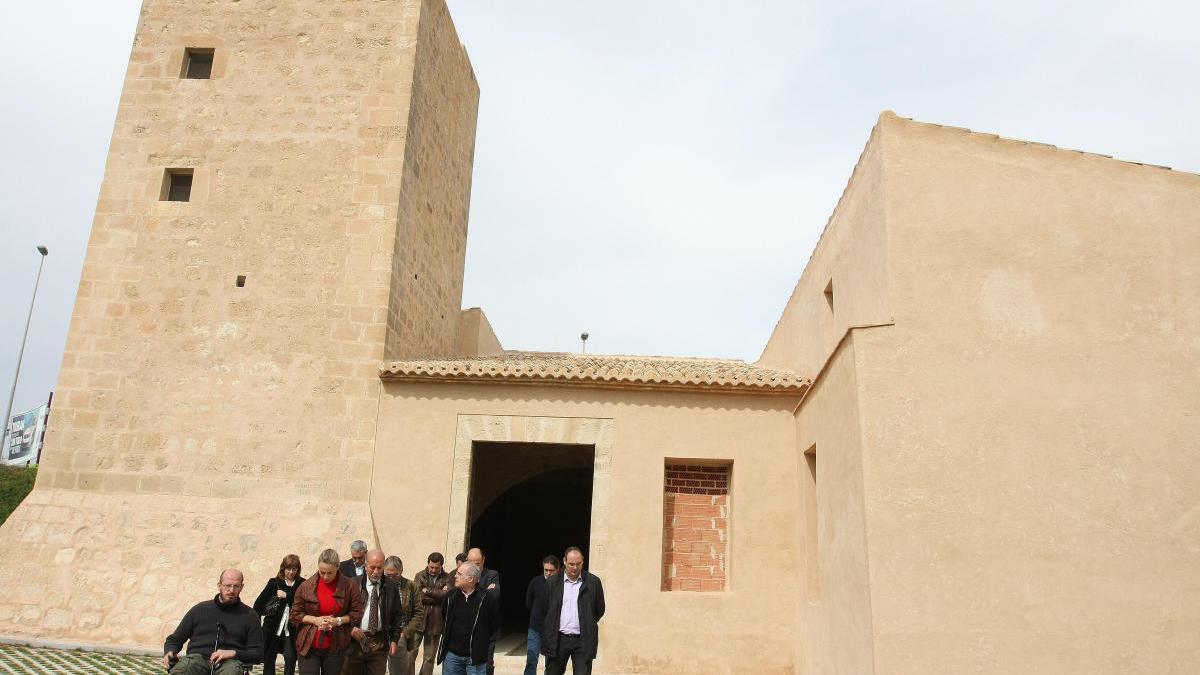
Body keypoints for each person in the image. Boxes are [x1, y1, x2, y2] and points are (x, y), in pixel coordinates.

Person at [163, 569, 264, 674]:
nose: (231, 590)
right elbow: (175, 639)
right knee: (183, 669)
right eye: (227, 585)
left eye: (236, 586)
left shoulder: (250, 616)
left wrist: (232, 653)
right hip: (197, 660)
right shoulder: (199, 610)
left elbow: (258, 654)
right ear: (219, 586)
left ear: (242, 587)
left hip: (230, 663)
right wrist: (170, 651)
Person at [291, 548, 365, 674]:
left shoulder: (350, 586)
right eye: (322, 572)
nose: (325, 576)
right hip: (309, 646)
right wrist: (315, 620)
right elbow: (294, 615)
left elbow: (357, 613)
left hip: (336, 647)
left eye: (329, 573)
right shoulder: (306, 586)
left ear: (337, 568)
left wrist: (338, 621)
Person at [541, 548, 605, 675]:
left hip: (583, 641)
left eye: (578, 564)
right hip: (558, 640)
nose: (575, 568)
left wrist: (587, 621)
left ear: (583, 562)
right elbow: (545, 609)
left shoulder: (593, 582)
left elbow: (599, 610)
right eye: (571, 564)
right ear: (564, 561)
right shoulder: (552, 582)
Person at [343, 550, 404, 675]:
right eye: (372, 567)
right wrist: (350, 628)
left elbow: (397, 615)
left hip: (379, 643)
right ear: (365, 566)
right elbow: (340, 610)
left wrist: (394, 639)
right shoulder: (352, 584)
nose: (376, 572)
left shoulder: (391, 586)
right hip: (354, 643)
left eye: (380, 568)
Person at [437, 563, 501, 675]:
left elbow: (494, 627)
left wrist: (485, 651)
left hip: (475, 658)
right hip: (452, 656)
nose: (455, 576)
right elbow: (444, 619)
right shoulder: (450, 597)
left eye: (459, 574)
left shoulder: (487, 599)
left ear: (470, 578)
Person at [254, 554, 305, 675]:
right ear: (283, 568)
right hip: (272, 627)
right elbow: (258, 605)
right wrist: (257, 628)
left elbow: (304, 604)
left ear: (298, 569)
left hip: (292, 629)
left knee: (291, 657)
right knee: (269, 658)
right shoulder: (274, 583)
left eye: (294, 569)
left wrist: (287, 596)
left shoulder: (303, 584)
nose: (291, 572)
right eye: (288, 569)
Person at [383, 555, 425, 675]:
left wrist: (405, 632)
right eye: (388, 575)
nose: (391, 578)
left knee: (398, 670)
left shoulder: (411, 586)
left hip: (399, 634)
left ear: (401, 571)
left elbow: (419, 612)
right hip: (381, 633)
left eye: (394, 575)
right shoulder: (380, 585)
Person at [413, 552, 451, 675]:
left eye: (436, 568)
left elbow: (447, 596)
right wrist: (438, 594)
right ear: (428, 564)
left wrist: (427, 590)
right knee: (410, 654)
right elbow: (418, 597)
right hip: (419, 620)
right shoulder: (419, 576)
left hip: (436, 622)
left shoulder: (448, 578)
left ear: (442, 566)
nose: (433, 570)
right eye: (431, 567)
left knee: (429, 658)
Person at [465, 548, 500, 675]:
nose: (474, 566)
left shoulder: (492, 575)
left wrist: (472, 594)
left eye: (478, 563)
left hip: (487, 630)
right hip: (466, 629)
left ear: (484, 560)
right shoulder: (461, 575)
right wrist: (486, 590)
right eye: (471, 563)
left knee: (487, 665)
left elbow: (494, 596)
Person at [524, 556, 560, 675]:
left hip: (553, 629)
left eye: (551, 570)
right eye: (546, 570)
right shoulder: (536, 581)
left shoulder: (562, 584)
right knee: (532, 657)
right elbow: (529, 602)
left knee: (551, 662)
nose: (548, 573)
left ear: (557, 569)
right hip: (535, 627)